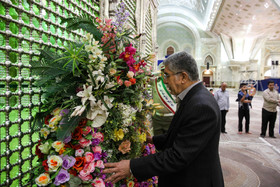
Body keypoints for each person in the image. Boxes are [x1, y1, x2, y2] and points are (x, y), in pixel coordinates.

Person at [103, 51, 224, 187]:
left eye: (167, 75)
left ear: (183, 77)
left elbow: (177, 156)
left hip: (195, 179)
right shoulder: (194, 97)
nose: (164, 80)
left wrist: (132, 167)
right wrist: (152, 140)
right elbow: (181, 135)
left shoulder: (201, 105)